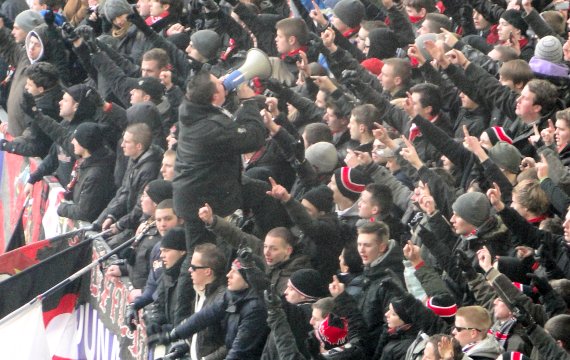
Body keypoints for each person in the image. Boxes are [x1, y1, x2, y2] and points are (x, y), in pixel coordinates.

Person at [148, 247, 270, 360]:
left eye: (235, 272)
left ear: (248, 279)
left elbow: (238, 350)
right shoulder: (233, 296)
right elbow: (204, 317)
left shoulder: (256, 309)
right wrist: (173, 335)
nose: (229, 275)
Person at [95, 122, 163, 245]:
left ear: (139, 146)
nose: (122, 145)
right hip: (128, 220)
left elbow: (140, 207)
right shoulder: (134, 159)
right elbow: (124, 191)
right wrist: (110, 216)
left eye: (126, 142)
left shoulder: (149, 169)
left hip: (136, 226)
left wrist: (121, 224)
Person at [57, 122, 115, 222]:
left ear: (85, 144)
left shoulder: (95, 175)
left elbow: (84, 212)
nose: (72, 142)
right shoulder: (84, 162)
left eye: (76, 139)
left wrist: (62, 208)